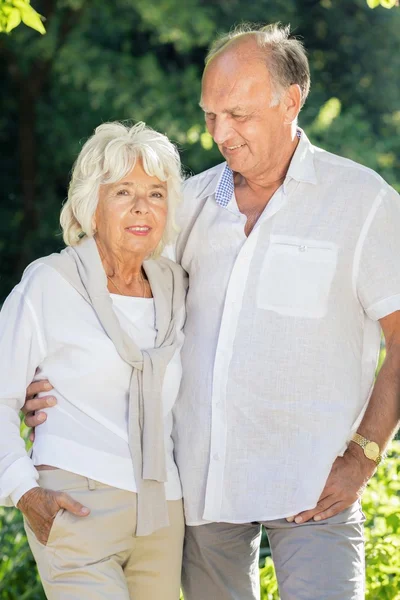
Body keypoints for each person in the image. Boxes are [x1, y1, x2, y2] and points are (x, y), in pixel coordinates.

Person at [23, 23, 400, 600]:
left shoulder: (362, 201)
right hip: (202, 493)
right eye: (210, 115)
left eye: (239, 115)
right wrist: (49, 381)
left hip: (314, 486)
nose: (221, 133)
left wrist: (365, 455)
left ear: (292, 100)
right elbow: (126, 310)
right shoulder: (188, 203)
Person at [0, 121, 187, 599]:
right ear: (91, 206)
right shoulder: (50, 282)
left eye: (156, 193)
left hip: (163, 512)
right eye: (123, 191)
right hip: (76, 505)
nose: (142, 206)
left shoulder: (176, 287)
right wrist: (24, 492)